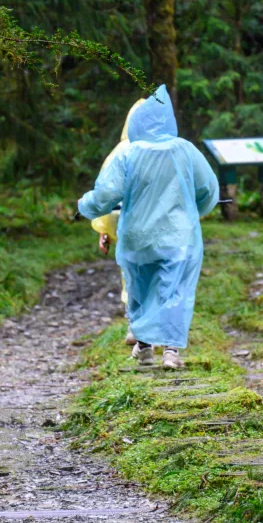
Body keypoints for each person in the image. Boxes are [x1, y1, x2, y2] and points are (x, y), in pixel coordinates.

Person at [78, 85, 219, 369]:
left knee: (139, 287)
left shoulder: (126, 153)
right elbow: (208, 189)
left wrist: (85, 206)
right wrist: (196, 212)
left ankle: (143, 347)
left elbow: (106, 195)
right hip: (180, 236)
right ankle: (171, 352)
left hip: (137, 237)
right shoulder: (186, 150)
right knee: (176, 290)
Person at [91, 99, 146, 347]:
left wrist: (104, 230)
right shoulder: (169, 151)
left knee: (131, 270)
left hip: (125, 221)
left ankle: (135, 324)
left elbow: (105, 194)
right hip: (158, 223)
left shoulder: (119, 153)